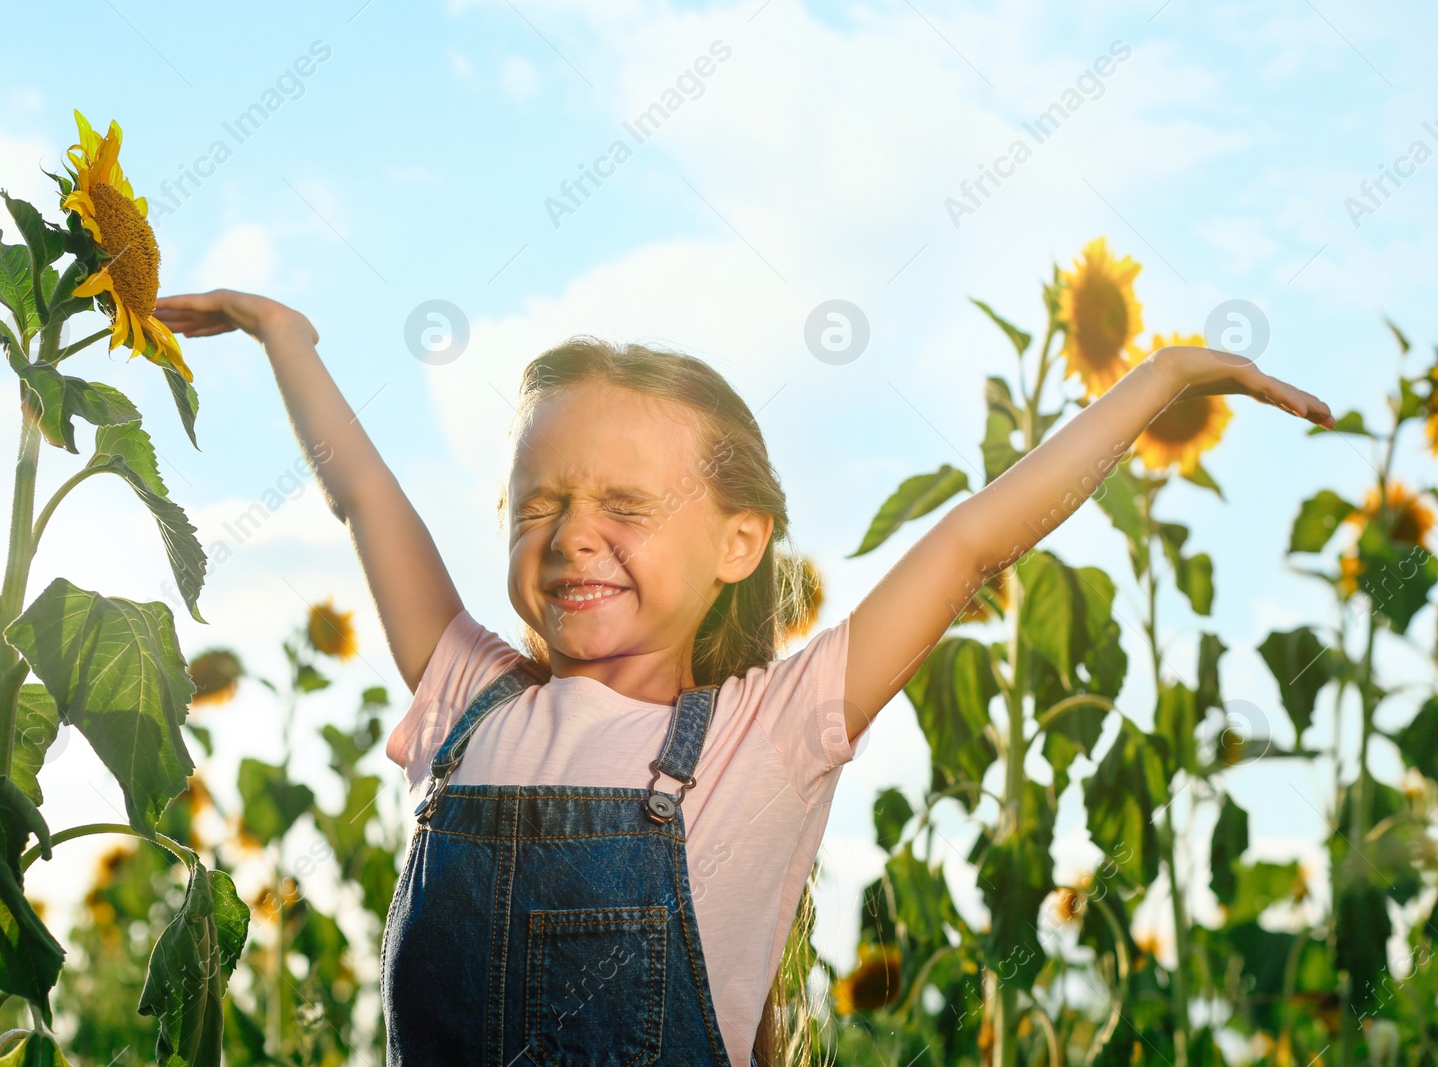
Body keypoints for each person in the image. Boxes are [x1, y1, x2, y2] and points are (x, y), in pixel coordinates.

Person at [155, 289, 1334, 1066]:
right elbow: (365, 495)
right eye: (540, 504)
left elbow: (975, 538)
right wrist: (287, 343)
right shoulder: (470, 694)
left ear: (740, 541)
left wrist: (1160, 380)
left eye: (625, 504)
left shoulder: (767, 734)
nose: (571, 534)